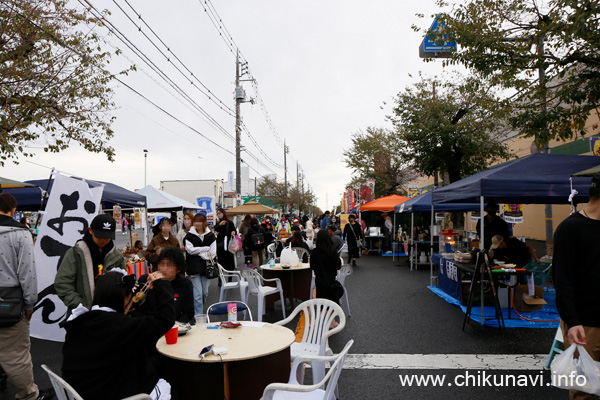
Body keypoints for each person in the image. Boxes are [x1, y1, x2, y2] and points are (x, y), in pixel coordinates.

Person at [62, 270, 174, 400]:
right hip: (114, 393)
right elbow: (165, 319)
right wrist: (162, 284)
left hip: (83, 391)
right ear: (124, 298)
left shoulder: (81, 321)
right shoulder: (120, 327)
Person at [0, 193, 52, 400]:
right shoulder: (20, 233)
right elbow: (27, 274)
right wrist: (30, 304)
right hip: (10, 304)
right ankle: (28, 395)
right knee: (16, 356)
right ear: (14, 211)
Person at [554, 172, 600, 400]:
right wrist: (571, 321)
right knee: (585, 390)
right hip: (586, 324)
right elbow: (562, 279)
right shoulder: (570, 228)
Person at [55, 214, 126, 317]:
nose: (103, 240)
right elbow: (62, 283)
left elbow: (122, 285)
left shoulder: (117, 256)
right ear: (90, 230)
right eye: (100, 236)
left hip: (110, 315)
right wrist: (81, 306)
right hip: (82, 316)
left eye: (107, 237)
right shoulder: (75, 253)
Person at [135, 247, 194, 324]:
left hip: (175, 327)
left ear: (178, 269)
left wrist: (177, 325)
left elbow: (188, 314)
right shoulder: (146, 280)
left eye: (169, 265)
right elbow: (138, 309)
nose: (164, 268)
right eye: (161, 264)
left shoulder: (185, 284)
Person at [184, 213, 217, 315]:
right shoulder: (189, 236)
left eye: (199, 221)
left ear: (204, 223)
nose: (197, 224)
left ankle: (198, 311)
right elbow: (190, 250)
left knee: (204, 293)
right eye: (195, 221)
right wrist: (205, 249)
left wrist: (198, 253)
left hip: (206, 268)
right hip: (193, 268)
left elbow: (212, 253)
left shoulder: (210, 236)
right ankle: (198, 317)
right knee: (197, 294)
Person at [310, 230, 342, 303]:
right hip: (331, 280)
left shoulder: (314, 252)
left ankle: (322, 313)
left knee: (321, 303)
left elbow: (312, 266)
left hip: (319, 281)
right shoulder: (332, 252)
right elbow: (338, 266)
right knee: (331, 302)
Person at [214, 208, 237, 280]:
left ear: (223, 213)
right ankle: (220, 279)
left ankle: (230, 278)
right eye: (217, 213)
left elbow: (234, 230)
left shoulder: (229, 223)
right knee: (220, 263)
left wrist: (233, 233)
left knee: (230, 263)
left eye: (220, 213)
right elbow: (215, 229)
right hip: (220, 246)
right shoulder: (218, 223)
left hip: (228, 245)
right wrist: (219, 225)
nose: (219, 215)